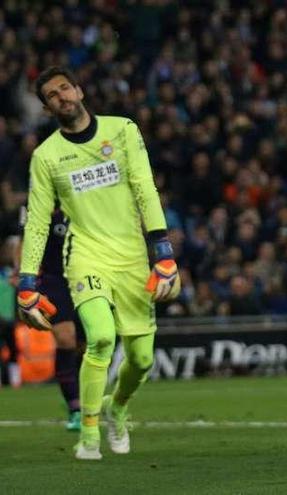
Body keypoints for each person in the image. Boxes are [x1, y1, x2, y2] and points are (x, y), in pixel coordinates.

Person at [17, 66, 180, 460]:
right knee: (101, 337)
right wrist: (26, 282)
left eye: (65, 89)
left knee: (141, 360)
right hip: (84, 256)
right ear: (47, 108)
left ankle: (117, 408)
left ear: (80, 89)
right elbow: (38, 222)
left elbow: (144, 186)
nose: (62, 97)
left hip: (131, 256)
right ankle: (88, 433)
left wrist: (162, 248)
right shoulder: (46, 156)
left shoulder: (123, 129)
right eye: (52, 96)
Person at [12, 207, 82, 431]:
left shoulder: (84, 196)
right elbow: (25, 241)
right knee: (66, 338)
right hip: (53, 280)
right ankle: (75, 409)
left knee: (88, 343)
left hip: (86, 274)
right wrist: (23, 276)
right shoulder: (40, 199)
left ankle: (76, 390)